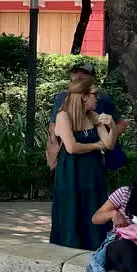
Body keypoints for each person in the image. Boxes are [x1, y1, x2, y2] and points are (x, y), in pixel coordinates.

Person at [50, 76, 117, 250]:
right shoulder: (63, 116)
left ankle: (95, 245)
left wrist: (113, 127)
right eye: (94, 94)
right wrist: (96, 145)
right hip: (71, 171)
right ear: (84, 96)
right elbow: (72, 147)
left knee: (93, 204)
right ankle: (68, 246)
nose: (97, 98)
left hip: (93, 170)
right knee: (71, 207)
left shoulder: (93, 116)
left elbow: (108, 144)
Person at [47, 62, 127, 171]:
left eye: (84, 73)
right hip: (69, 160)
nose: (79, 75)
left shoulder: (102, 100)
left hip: (96, 159)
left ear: (92, 78)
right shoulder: (61, 99)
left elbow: (120, 125)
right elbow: (54, 127)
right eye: (75, 72)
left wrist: (107, 135)